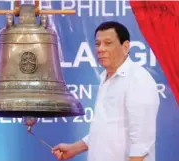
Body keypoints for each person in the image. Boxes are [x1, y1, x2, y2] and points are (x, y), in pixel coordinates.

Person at [51, 21, 160, 161]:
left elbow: (142, 141)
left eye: (108, 43)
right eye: (97, 44)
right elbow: (105, 130)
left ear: (125, 47)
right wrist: (74, 149)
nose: (100, 49)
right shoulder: (106, 78)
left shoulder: (137, 79)